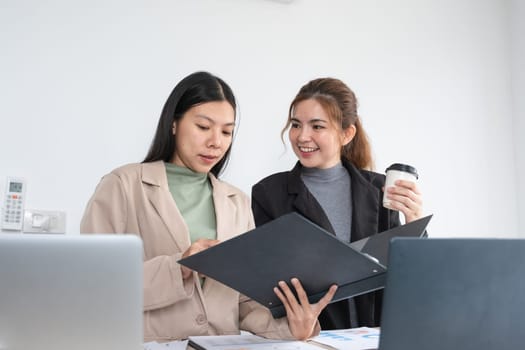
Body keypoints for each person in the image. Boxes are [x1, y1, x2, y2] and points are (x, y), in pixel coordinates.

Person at [80, 71, 337, 342]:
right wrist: (180, 266)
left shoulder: (236, 201)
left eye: (226, 131)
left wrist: (292, 326)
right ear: (174, 124)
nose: (216, 142)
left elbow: (243, 302)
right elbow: (94, 284)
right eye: (203, 127)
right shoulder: (123, 185)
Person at [251, 77, 424, 330]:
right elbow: (267, 281)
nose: (302, 136)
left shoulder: (380, 190)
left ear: (347, 133)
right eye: (296, 125)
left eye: (317, 126)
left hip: (375, 338)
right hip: (309, 339)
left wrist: (416, 224)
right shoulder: (269, 194)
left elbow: (409, 277)